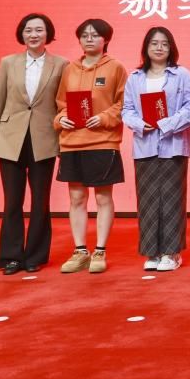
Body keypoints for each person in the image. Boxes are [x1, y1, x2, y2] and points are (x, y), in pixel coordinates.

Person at [0, 13, 66, 274]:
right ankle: (11, 256)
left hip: (44, 138)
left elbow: (62, 104)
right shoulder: (8, 62)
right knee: (12, 201)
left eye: (39, 30)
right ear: (21, 34)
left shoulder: (61, 64)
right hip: (11, 138)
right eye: (28, 30)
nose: (33, 34)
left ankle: (35, 256)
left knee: (40, 200)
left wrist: (64, 141)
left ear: (48, 34)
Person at [53, 18, 128, 274]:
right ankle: (80, 251)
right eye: (84, 35)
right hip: (72, 142)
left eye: (95, 35)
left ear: (106, 40)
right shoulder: (69, 69)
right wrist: (61, 118)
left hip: (103, 141)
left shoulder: (115, 67)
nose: (89, 39)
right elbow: (61, 103)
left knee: (103, 197)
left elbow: (123, 103)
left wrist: (105, 117)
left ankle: (100, 251)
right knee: (76, 198)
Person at [122, 26, 190, 272]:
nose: (159, 48)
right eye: (154, 43)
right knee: (148, 200)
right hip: (144, 144)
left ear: (171, 47)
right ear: (146, 47)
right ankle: (152, 252)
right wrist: (139, 124)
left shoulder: (181, 74)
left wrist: (166, 123)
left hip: (173, 145)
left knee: (172, 199)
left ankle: (171, 252)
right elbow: (127, 109)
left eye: (164, 43)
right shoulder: (135, 77)